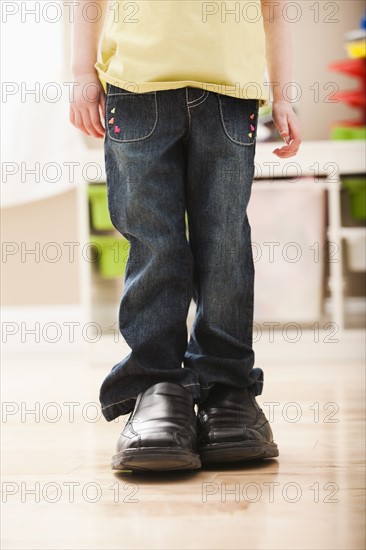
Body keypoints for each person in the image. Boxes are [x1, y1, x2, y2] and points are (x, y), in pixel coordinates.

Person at [70, 0, 301, 471]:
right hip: (136, 88)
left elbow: (277, 9)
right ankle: (156, 386)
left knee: (225, 245)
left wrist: (285, 95)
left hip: (231, 93)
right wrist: (80, 74)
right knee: (155, 244)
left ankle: (226, 386)